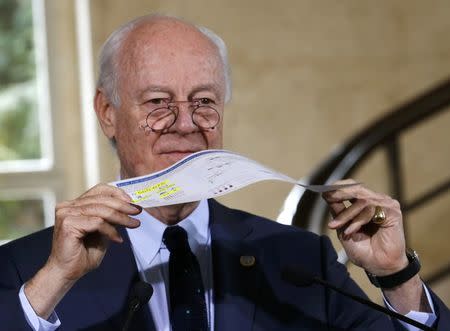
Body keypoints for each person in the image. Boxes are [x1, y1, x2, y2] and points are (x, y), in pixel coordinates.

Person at [0, 14, 448, 331]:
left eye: (204, 102)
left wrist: (396, 275)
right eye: (158, 102)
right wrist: (54, 280)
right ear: (107, 112)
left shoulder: (298, 260)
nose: (185, 123)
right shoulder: (28, 269)